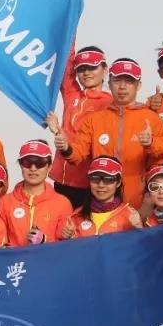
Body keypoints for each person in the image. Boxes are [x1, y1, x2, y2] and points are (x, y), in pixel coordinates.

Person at [55, 58, 163, 209]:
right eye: (117, 81)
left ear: (139, 85)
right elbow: (78, 155)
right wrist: (66, 148)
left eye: (129, 81)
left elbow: (161, 157)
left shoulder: (151, 118)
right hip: (101, 201)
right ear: (109, 84)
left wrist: (151, 143)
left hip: (137, 202)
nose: (122, 87)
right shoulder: (95, 119)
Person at [48, 46, 113, 210]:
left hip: (90, 182)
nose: (86, 73)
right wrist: (70, 32)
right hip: (62, 179)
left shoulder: (110, 103)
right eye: (81, 69)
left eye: (92, 67)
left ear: (105, 69)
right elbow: (66, 65)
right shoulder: (72, 95)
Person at [0, 140, 75, 246]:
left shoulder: (63, 204)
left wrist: (45, 241)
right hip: (15, 258)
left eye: (40, 163)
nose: (33, 168)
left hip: (48, 257)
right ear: (21, 165)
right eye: (27, 163)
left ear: (49, 166)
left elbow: (65, 248)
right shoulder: (4, 202)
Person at [61, 156, 143, 238]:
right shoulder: (77, 216)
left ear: (118, 183)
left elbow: (138, 244)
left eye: (108, 179)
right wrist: (70, 237)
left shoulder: (130, 216)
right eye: (95, 179)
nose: (101, 185)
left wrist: (137, 230)